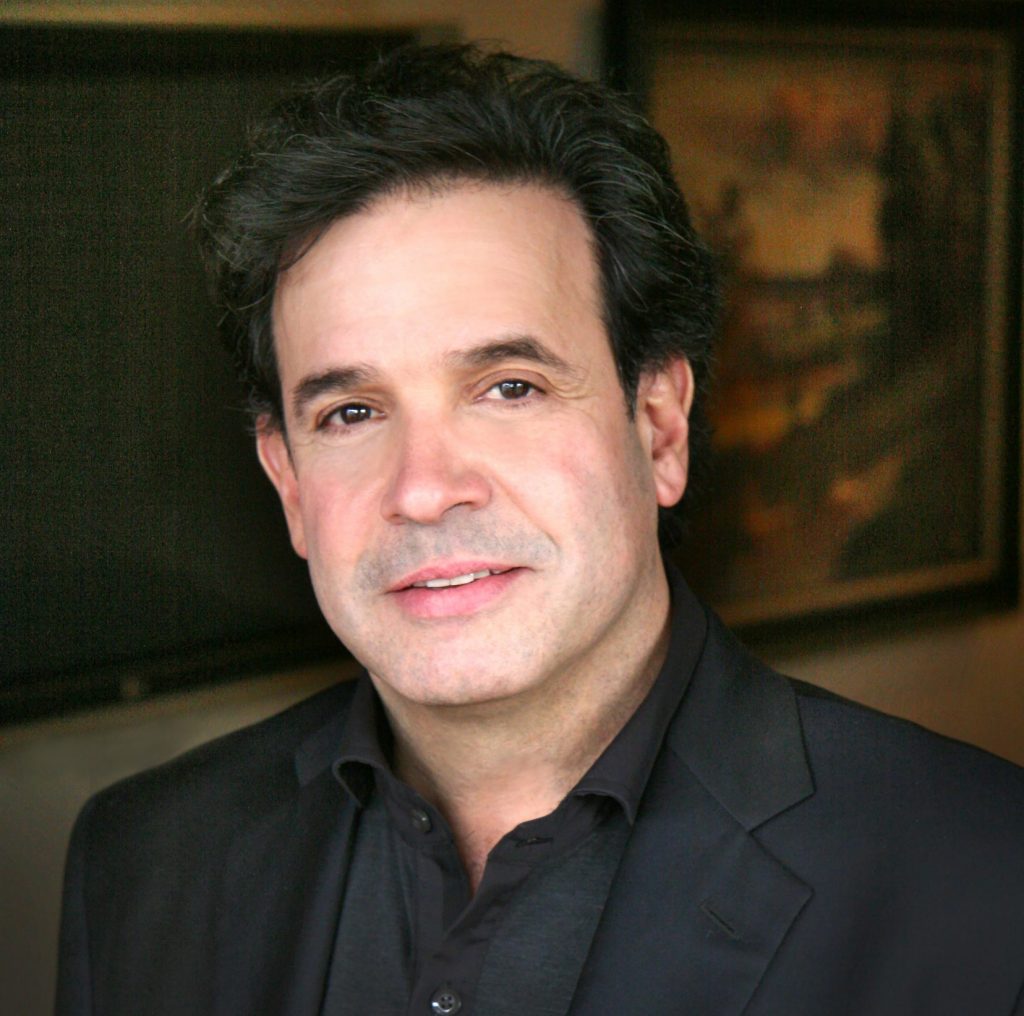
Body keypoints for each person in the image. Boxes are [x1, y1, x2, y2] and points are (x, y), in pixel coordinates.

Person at [56, 44, 1024, 1016]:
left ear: (659, 428)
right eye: (350, 411)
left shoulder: (984, 876)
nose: (424, 489)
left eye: (508, 387)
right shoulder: (141, 862)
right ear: (289, 481)